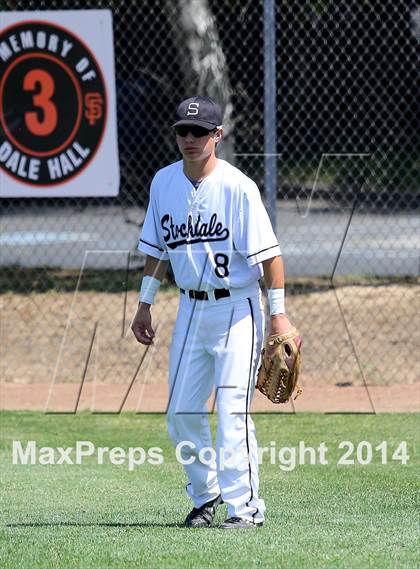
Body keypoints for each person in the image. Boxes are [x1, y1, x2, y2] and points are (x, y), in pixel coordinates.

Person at [131, 95, 296, 529]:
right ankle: (207, 496)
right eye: (183, 131)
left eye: (200, 132)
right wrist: (145, 303)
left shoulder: (238, 187)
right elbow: (156, 251)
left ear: (217, 135)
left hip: (238, 310)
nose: (190, 139)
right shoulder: (163, 183)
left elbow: (271, 258)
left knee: (230, 413)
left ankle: (245, 510)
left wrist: (277, 317)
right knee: (180, 414)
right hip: (188, 309)